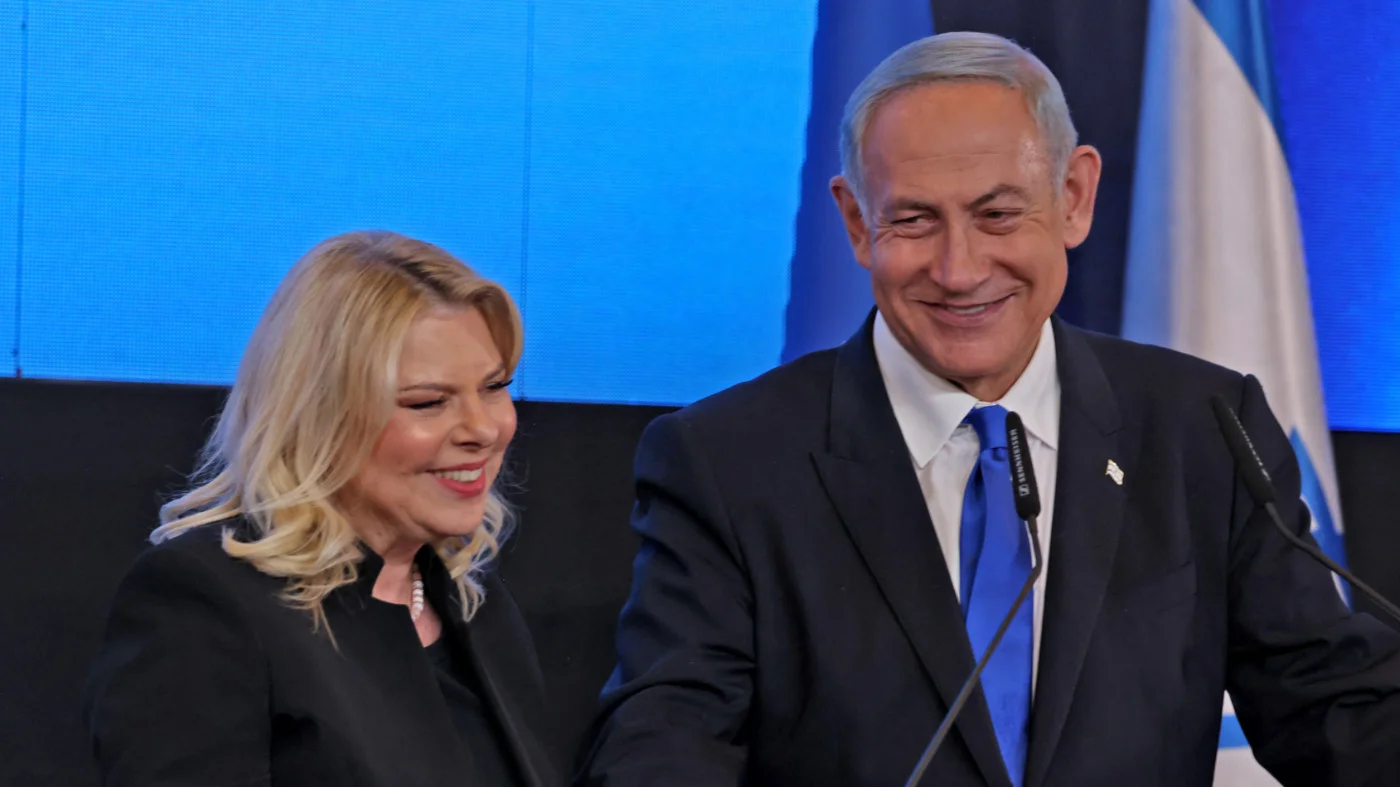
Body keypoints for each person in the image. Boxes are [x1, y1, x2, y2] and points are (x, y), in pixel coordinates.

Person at [576, 32, 1400, 787]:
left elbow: (1332, 709)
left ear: (1074, 197)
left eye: (998, 214)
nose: (960, 269)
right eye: (913, 220)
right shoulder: (729, 461)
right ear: (857, 222)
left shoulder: (1205, 428)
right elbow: (664, 739)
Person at [84, 231, 557, 786]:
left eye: (495, 387)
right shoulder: (205, 604)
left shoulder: (473, 600)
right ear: (319, 415)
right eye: (429, 402)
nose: (483, 428)